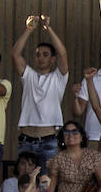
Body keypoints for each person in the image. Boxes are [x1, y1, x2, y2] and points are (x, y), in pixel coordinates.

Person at [11, 15, 69, 166]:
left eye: (45, 55)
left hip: (48, 141)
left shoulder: (58, 77)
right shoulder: (28, 75)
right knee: (24, 183)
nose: (41, 58)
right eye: (38, 55)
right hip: (26, 139)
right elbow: (15, 54)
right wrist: (29, 30)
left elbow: (63, 53)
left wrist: (48, 29)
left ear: (52, 59)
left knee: (46, 184)